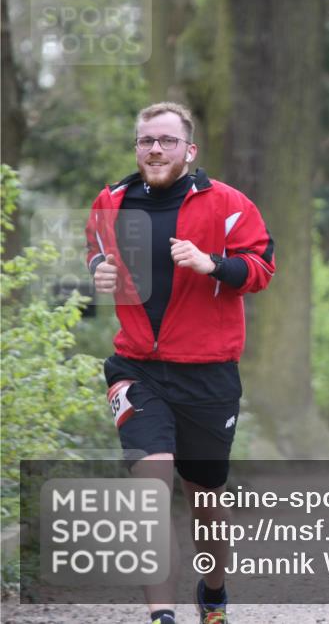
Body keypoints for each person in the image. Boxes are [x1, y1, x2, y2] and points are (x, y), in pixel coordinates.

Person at [86, 102, 276, 624]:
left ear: (188, 150)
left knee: (205, 499)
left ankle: (213, 590)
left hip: (208, 373)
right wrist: (100, 270)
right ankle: (161, 616)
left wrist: (211, 262)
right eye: (146, 140)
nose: (154, 149)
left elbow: (260, 268)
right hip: (137, 369)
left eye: (166, 141)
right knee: (149, 488)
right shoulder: (112, 202)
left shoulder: (229, 204)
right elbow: (96, 253)